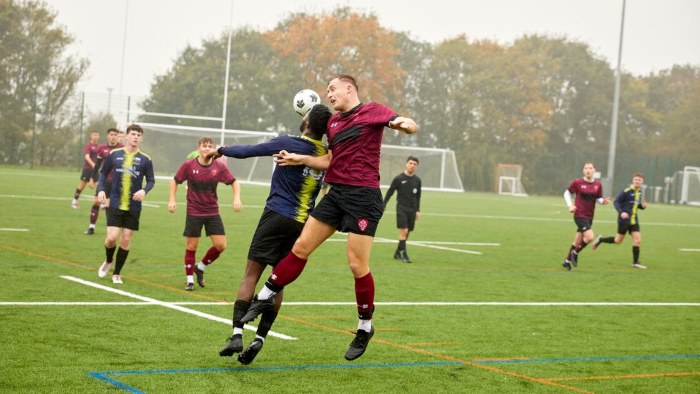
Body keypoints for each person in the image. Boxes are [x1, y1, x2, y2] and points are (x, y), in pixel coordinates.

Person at [239, 74, 418, 361]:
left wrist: (404, 124)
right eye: (327, 91)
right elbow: (329, 161)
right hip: (335, 195)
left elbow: (408, 124)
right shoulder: (333, 123)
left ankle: (364, 327)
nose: (329, 94)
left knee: (357, 265)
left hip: (363, 197)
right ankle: (262, 298)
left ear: (349, 88)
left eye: (332, 89)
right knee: (300, 248)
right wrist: (301, 159)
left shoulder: (373, 111)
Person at [215, 103, 332, 365]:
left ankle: (236, 334)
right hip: (302, 224)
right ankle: (260, 338)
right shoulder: (326, 155)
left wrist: (221, 150)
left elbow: (249, 151)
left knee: (251, 274)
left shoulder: (287, 143)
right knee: (277, 281)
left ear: (305, 123)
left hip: (276, 215)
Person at [168, 137, 242, 291]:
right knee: (192, 245)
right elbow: (175, 181)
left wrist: (237, 198)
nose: (207, 148)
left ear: (214, 149)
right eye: (204, 146)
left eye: (210, 146)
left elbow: (234, 182)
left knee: (221, 245)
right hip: (194, 211)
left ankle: (200, 267)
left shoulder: (219, 167)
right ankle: (189, 280)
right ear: (199, 148)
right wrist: (172, 200)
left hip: (212, 211)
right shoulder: (189, 165)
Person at [96, 124, 155, 284]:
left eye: (139, 135)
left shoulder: (145, 159)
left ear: (141, 138)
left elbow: (151, 180)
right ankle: (108, 261)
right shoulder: (114, 155)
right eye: (133, 134)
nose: (136, 137)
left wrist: (144, 191)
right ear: (127, 136)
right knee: (111, 239)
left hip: (134, 207)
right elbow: (102, 173)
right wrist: (101, 190)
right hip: (115, 203)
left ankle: (117, 273)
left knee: (126, 240)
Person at [592, 173, 648, 269]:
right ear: (633, 180)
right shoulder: (626, 191)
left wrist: (642, 207)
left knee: (637, 240)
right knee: (618, 241)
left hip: (634, 221)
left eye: (639, 180)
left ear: (642, 182)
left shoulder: (639, 192)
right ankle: (600, 239)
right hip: (624, 220)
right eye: (636, 179)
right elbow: (616, 202)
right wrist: (621, 212)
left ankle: (635, 263)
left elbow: (636, 205)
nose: (637, 181)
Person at [562, 162, 610, 271]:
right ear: (583, 171)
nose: (588, 170)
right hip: (579, 215)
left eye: (590, 168)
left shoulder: (598, 184)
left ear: (594, 170)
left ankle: (566, 261)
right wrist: (570, 205)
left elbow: (598, 198)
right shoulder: (578, 182)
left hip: (589, 216)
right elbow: (566, 193)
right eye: (586, 168)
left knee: (577, 241)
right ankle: (575, 252)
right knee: (589, 237)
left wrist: (603, 201)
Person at [84, 128, 124, 235]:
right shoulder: (102, 148)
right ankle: (91, 227)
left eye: (115, 134)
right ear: (108, 136)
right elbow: (97, 165)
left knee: (110, 206)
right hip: (104, 180)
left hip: (117, 181)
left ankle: (111, 229)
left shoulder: (122, 148)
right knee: (96, 202)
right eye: (111, 134)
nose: (113, 136)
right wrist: (92, 178)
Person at [383, 156, 422, 263]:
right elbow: (390, 192)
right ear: (406, 164)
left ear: (416, 166)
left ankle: (397, 251)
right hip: (401, 208)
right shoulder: (398, 179)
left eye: (415, 164)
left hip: (412, 209)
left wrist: (418, 210)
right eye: (410, 163)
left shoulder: (417, 181)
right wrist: (384, 204)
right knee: (404, 231)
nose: (412, 165)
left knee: (408, 232)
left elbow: (418, 196)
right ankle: (404, 254)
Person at [71, 131, 101, 209]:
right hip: (87, 169)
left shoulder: (99, 147)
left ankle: (101, 203)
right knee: (81, 186)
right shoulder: (89, 145)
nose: (96, 136)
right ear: (91, 136)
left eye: (97, 135)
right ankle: (74, 201)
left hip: (95, 171)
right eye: (94, 135)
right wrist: (93, 164)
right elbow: (87, 157)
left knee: (100, 185)